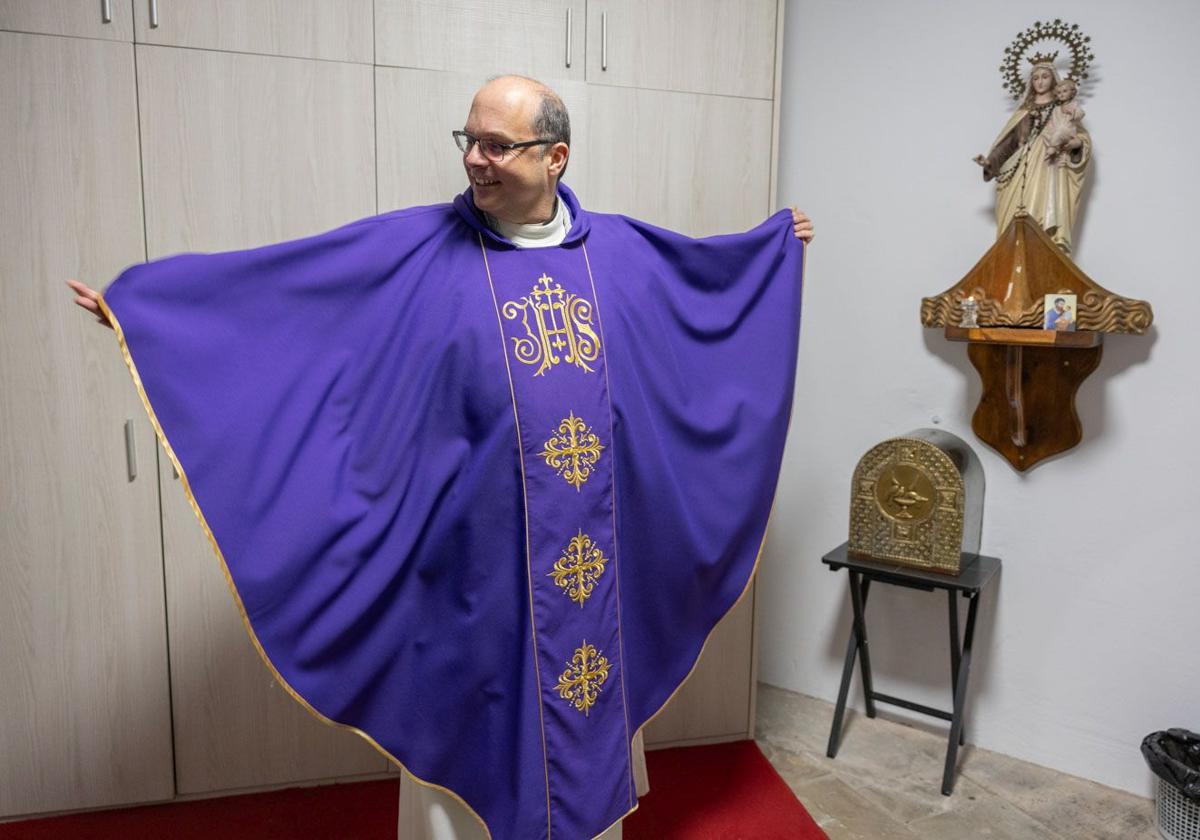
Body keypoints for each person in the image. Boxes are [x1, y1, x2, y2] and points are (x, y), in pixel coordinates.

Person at [67, 75, 814, 840]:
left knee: (582, 734)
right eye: (470, 141)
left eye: (498, 145)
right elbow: (290, 298)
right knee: (467, 767)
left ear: (555, 157)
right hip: (473, 578)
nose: (477, 160)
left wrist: (772, 255)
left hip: (591, 570)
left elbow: (705, 289)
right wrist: (148, 315)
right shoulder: (418, 249)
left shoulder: (618, 254)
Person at [973, 63, 1091, 255]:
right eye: (1035, 78)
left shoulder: (1063, 109)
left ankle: (1046, 245)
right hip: (1022, 168)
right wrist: (989, 163)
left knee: (1045, 209)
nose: (1040, 81)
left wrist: (1077, 145)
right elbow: (1007, 144)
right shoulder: (1023, 112)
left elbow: (1079, 136)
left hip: (1048, 166)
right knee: (1014, 216)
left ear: (1054, 80)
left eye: (1045, 77)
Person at [1042, 78, 1085, 165]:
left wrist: (1074, 113)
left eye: (1064, 91)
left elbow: (1081, 113)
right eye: (1059, 93)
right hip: (1056, 132)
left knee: (1060, 131)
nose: (1061, 94)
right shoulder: (1056, 109)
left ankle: (1053, 148)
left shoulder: (1073, 105)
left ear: (1072, 93)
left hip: (1067, 131)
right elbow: (1050, 120)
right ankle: (1055, 148)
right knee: (1045, 133)